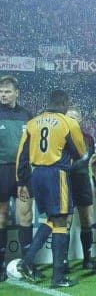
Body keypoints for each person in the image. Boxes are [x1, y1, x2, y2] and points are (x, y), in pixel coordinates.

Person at [16, 90, 86, 288]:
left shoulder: (32, 123)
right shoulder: (67, 122)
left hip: (36, 174)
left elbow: (22, 154)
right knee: (62, 221)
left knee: (51, 219)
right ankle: (58, 277)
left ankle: (27, 260)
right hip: (56, 174)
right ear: (64, 103)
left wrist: (22, 182)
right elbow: (80, 152)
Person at [0, 75, 33, 282]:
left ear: (17, 93)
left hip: (23, 172)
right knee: (1, 216)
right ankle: (1, 266)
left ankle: (28, 263)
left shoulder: (26, 115)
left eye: (7, 91)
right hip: (1, 170)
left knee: (26, 216)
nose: (3, 95)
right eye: (1, 91)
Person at [65, 105, 96, 272]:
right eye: (68, 117)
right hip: (65, 182)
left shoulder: (88, 138)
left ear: (80, 120)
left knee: (87, 221)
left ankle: (87, 260)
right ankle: (63, 262)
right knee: (65, 222)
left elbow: (93, 162)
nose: (71, 120)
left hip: (83, 182)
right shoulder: (61, 137)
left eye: (74, 117)